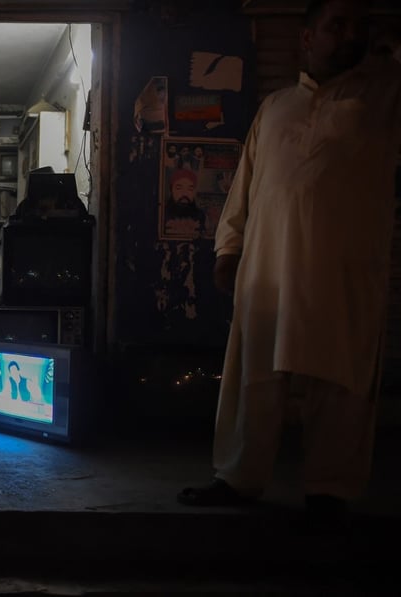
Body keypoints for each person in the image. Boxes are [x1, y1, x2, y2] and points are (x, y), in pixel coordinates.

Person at [178, 0, 401, 529]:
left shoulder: (385, 97)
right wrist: (228, 250)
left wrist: (389, 42)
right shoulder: (275, 106)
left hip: (345, 270)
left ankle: (329, 488)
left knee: (341, 383)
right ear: (306, 38)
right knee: (254, 379)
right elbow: (244, 190)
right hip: (268, 267)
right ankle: (237, 478)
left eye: (358, 25)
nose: (349, 35)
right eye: (336, 25)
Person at [162, 168, 206, 239]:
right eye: (179, 188)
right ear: (171, 190)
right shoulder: (162, 214)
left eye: (190, 189)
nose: (184, 194)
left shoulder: (201, 215)